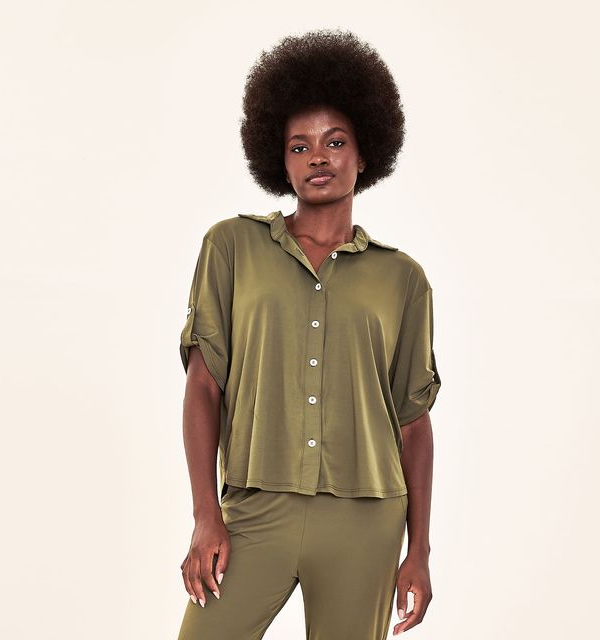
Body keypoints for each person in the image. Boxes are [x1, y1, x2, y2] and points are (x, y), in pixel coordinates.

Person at [176, 28, 441, 639]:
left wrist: (419, 551)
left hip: (365, 519)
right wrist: (205, 515)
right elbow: (203, 388)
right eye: (300, 146)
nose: (317, 157)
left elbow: (413, 423)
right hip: (252, 510)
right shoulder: (231, 247)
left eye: (335, 141)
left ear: (365, 153)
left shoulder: (403, 279)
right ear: (280, 159)